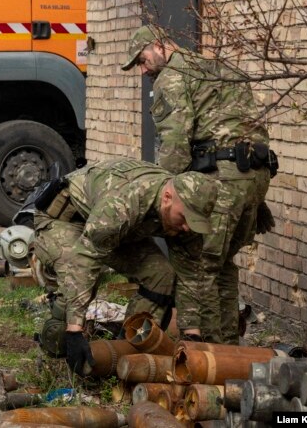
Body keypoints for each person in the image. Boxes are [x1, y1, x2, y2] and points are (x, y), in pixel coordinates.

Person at [122, 25, 276, 343]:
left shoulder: (171, 78)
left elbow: (175, 144)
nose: (142, 70)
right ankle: (230, 352)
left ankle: (208, 355)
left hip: (223, 178)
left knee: (198, 263)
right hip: (256, 177)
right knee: (221, 265)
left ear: (159, 45)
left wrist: (160, 195)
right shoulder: (214, 67)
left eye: (141, 59)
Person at [28, 158, 219, 375]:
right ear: (167, 198)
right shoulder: (124, 203)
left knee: (161, 275)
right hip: (66, 221)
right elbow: (85, 259)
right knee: (79, 281)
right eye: (184, 219)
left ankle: (127, 349)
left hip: (116, 231)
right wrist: (74, 330)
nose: (187, 228)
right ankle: (57, 347)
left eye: (193, 222)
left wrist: (191, 333)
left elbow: (190, 272)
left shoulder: (184, 216)